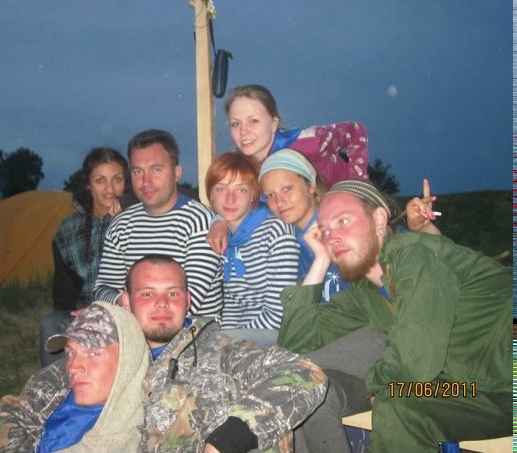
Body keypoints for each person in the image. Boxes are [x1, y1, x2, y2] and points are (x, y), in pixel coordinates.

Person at [277, 180, 512, 452]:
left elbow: (414, 360)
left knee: (396, 400)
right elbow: (296, 344)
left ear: (379, 220)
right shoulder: (366, 293)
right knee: (395, 398)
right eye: (325, 231)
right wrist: (320, 260)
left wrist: (376, 383)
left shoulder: (416, 254)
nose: (333, 237)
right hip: (467, 392)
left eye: (343, 221)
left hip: (503, 386)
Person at [118, 254, 328, 453]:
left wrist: (227, 441)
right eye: (148, 293)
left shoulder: (223, 353)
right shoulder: (109, 358)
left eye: (173, 293)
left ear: (188, 300)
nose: (162, 302)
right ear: (126, 301)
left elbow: (305, 372)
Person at [0, 303, 149, 453]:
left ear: (128, 359)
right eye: (71, 352)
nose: (74, 366)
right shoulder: (56, 397)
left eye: (94, 353)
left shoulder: (134, 436)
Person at [94, 129, 223, 316]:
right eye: (138, 171)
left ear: (176, 173)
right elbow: (102, 289)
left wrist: (128, 304)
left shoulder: (202, 223)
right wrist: (119, 301)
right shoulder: (120, 225)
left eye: (156, 170)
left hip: (193, 330)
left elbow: (186, 303)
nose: (146, 181)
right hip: (132, 325)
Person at [40, 147, 131, 367]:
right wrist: (82, 318)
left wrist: (131, 201)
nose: (110, 189)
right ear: (88, 184)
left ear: (126, 183)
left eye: (117, 179)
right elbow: (63, 297)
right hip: (83, 314)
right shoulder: (68, 232)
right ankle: (58, 385)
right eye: (100, 180)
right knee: (51, 323)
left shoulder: (139, 220)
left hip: (126, 313)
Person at [204, 152, 299, 345]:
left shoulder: (276, 231)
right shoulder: (224, 237)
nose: (230, 199)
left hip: (279, 336)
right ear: (211, 195)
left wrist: (231, 342)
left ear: (253, 195)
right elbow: (233, 302)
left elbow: (279, 313)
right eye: (221, 189)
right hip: (244, 337)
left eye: (241, 190)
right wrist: (225, 337)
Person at [225, 84, 369, 187]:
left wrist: (357, 188)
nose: (243, 131)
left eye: (253, 121)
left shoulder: (307, 141)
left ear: (274, 123)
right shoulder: (239, 167)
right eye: (235, 124)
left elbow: (356, 131)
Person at [259, 148, 348, 301]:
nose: (279, 202)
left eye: (287, 189)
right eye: (270, 195)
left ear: (310, 186)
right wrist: (219, 221)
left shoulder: (341, 228)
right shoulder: (287, 238)